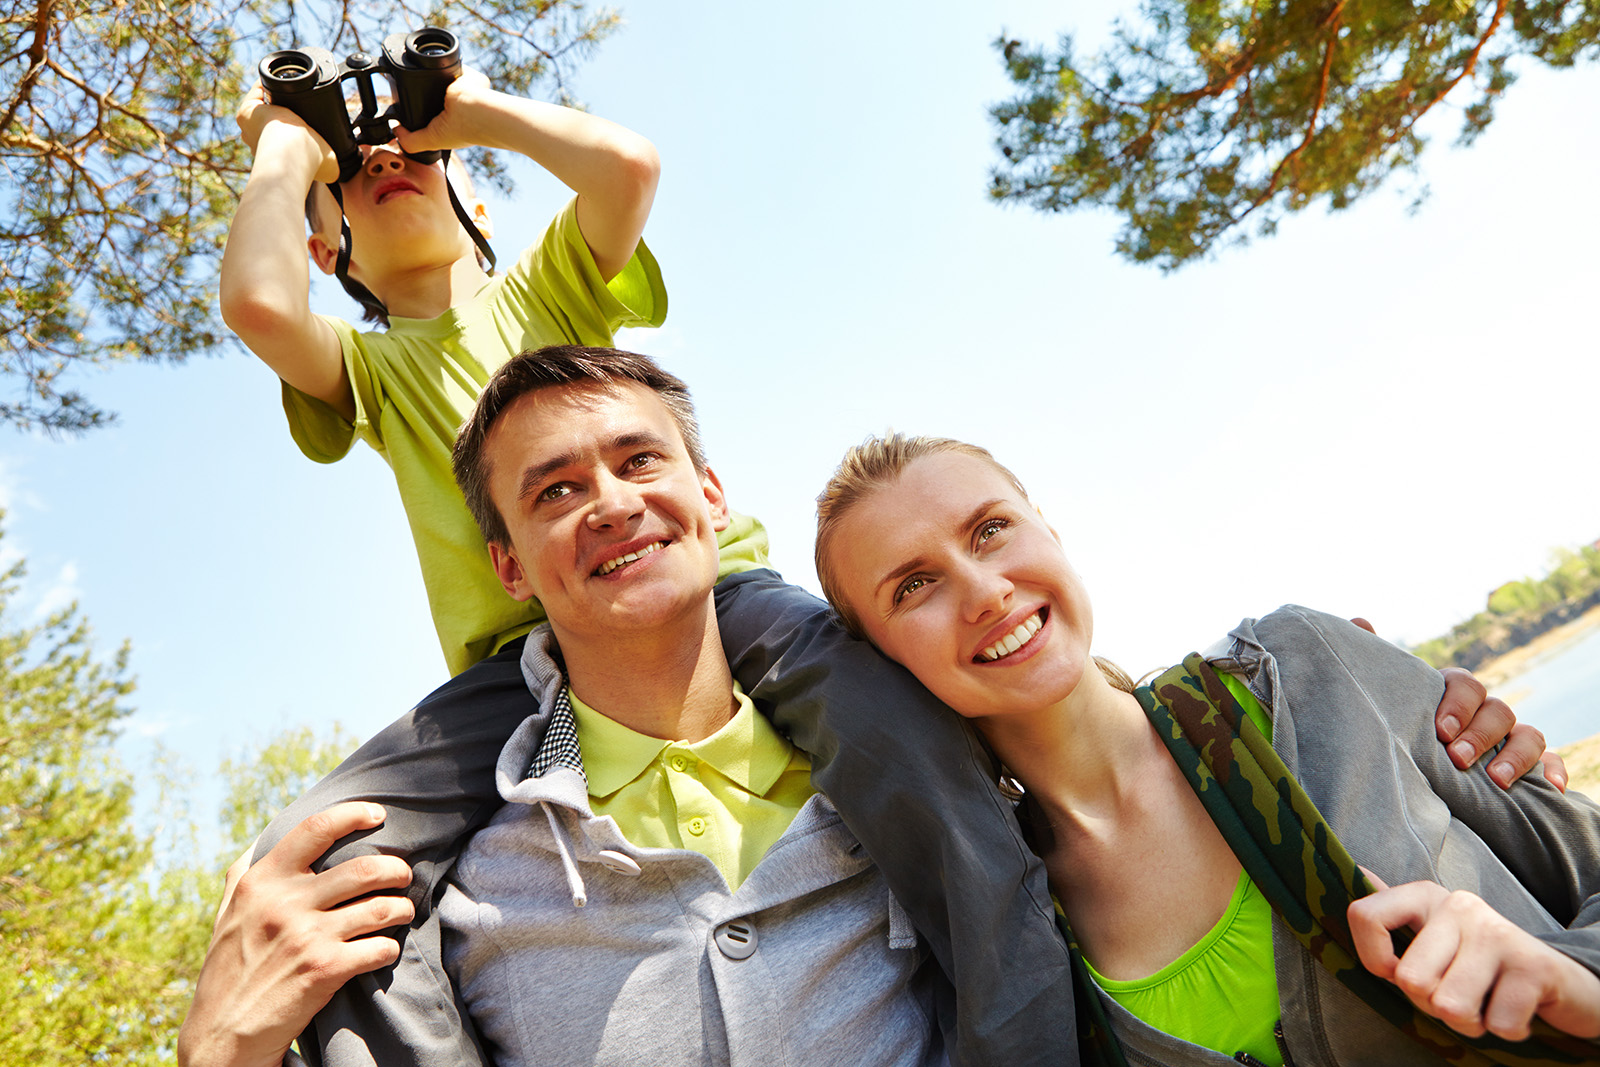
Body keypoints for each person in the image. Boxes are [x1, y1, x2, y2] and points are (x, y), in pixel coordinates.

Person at [179, 348, 1559, 1067]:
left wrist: (1465, 760)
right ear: (507, 568)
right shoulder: (461, 890)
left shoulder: (932, 805)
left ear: (712, 499)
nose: (607, 499)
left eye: (637, 457)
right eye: (552, 490)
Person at [810, 432, 1600, 1066]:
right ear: (883, 660)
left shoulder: (1300, 670)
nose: (985, 590)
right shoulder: (1011, 932)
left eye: (991, 529)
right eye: (913, 585)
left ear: (1049, 528)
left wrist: (1571, 980)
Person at [220, 68, 768, 676]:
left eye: (420, 155)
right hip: (524, 657)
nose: (381, 163)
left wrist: (475, 111)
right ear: (323, 252)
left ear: (478, 210)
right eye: (348, 170)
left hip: (715, 591)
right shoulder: (367, 368)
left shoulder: (550, 284)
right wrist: (284, 147)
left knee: (858, 704)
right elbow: (259, 308)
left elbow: (628, 167)